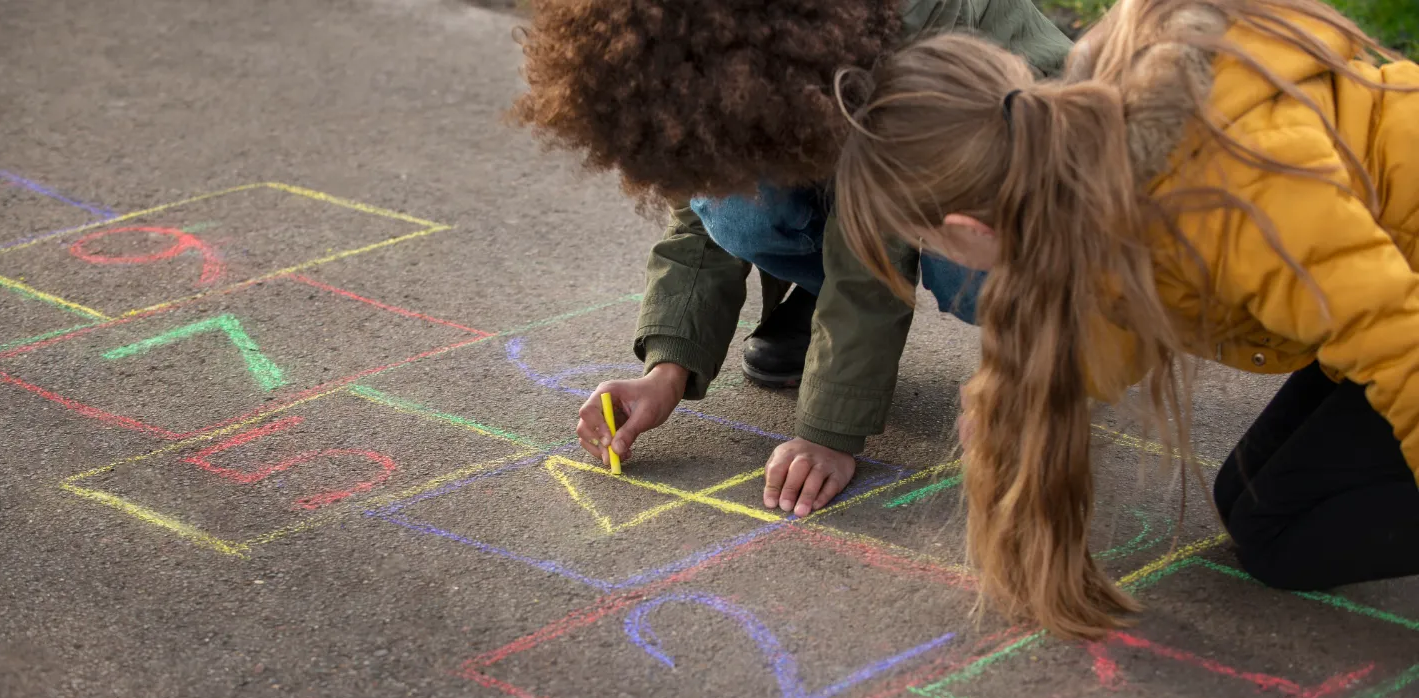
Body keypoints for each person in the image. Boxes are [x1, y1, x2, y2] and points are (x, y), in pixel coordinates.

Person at [832, 0, 1419, 638]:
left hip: (1400, 313)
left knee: (1280, 539)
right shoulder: (1096, 152)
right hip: (1388, 280)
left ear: (969, 229)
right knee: (1248, 504)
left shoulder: (1232, 194)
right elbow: (1125, 299)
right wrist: (1039, 388)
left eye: (927, 242)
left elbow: (1402, 349)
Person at [509, 0, 1073, 516]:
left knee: (968, 271)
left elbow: (874, 245)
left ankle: (1059, 331)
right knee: (734, 208)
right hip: (864, 127)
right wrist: (667, 369)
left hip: (1024, 165)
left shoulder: (899, 28)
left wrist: (828, 433)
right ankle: (818, 305)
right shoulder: (720, 40)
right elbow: (706, 175)